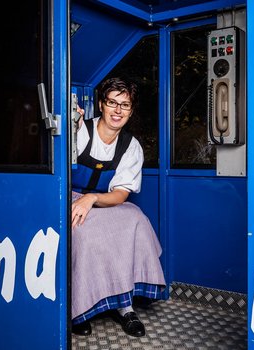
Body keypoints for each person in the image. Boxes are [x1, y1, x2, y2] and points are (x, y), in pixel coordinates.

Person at [70, 77, 166, 338]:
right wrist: (71, 125)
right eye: (112, 103)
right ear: (101, 105)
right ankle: (77, 309)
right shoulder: (80, 129)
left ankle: (125, 306)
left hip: (102, 200)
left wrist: (92, 199)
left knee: (136, 220)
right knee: (82, 231)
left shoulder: (131, 146)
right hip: (68, 196)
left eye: (125, 105)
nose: (117, 110)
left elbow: (120, 194)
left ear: (131, 111)